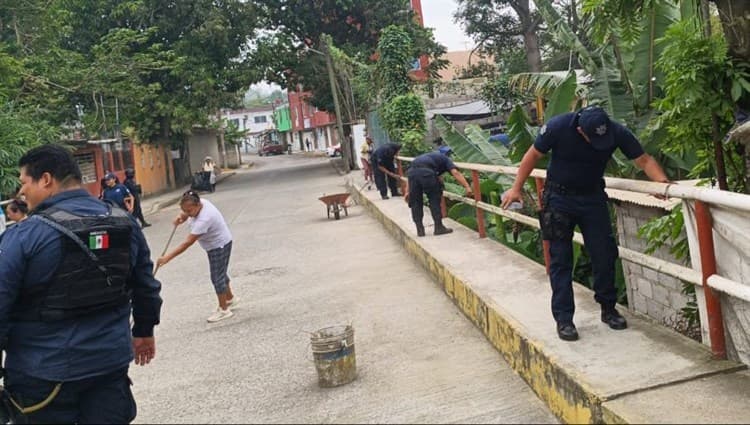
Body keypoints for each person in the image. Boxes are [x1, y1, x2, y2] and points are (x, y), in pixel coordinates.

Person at [0, 144, 162, 423]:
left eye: (24, 182)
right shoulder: (124, 223)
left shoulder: (26, 236)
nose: (21, 192)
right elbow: (145, 284)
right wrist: (144, 329)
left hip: (42, 375)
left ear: (46, 179)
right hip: (108, 366)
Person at [501, 106, 670, 342]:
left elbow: (643, 159)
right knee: (561, 259)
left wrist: (662, 184)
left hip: (592, 198)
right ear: (581, 130)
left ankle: (608, 309)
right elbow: (532, 156)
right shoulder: (559, 126)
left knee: (604, 253)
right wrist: (516, 188)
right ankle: (564, 319)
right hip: (559, 198)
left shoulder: (615, 131)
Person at [156, 191, 238, 323]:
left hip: (219, 245)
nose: (188, 214)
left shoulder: (205, 218)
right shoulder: (200, 203)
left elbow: (187, 243)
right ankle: (229, 299)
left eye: (189, 211)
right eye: (184, 211)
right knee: (221, 273)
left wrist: (167, 258)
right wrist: (182, 217)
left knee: (217, 277)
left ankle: (224, 309)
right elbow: (188, 212)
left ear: (198, 205)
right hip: (215, 245)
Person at [405, 146, 473, 236]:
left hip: (412, 174)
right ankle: (438, 227)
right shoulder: (446, 159)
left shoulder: (429, 157)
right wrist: (467, 187)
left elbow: (410, 176)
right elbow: (455, 172)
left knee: (416, 202)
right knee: (434, 200)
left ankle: (420, 229)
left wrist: (407, 192)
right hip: (426, 174)